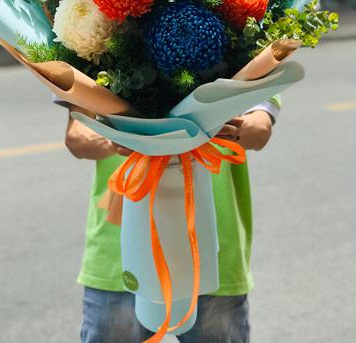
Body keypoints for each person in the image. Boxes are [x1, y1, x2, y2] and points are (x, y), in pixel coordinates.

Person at [62, 97, 281, 343]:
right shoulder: (95, 59)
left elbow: (259, 129)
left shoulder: (241, 58)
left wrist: (213, 129)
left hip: (211, 252)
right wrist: (127, 139)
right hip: (119, 253)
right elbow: (77, 136)